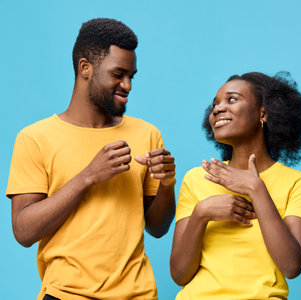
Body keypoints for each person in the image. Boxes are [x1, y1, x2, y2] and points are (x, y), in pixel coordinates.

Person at [6, 18, 175, 300]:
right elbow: (24, 231)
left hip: (139, 294)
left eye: (132, 76)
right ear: (85, 68)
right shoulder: (35, 138)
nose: (128, 85)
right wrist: (88, 176)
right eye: (118, 74)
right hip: (65, 294)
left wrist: (167, 183)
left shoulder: (147, 133)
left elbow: (157, 228)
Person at [170, 71, 301, 299]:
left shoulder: (295, 182)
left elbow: (292, 265)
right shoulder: (197, 178)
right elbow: (179, 275)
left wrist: (256, 189)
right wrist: (202, 213)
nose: (217, 109)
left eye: (232, 99)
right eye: (215, 104)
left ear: (263, 113)